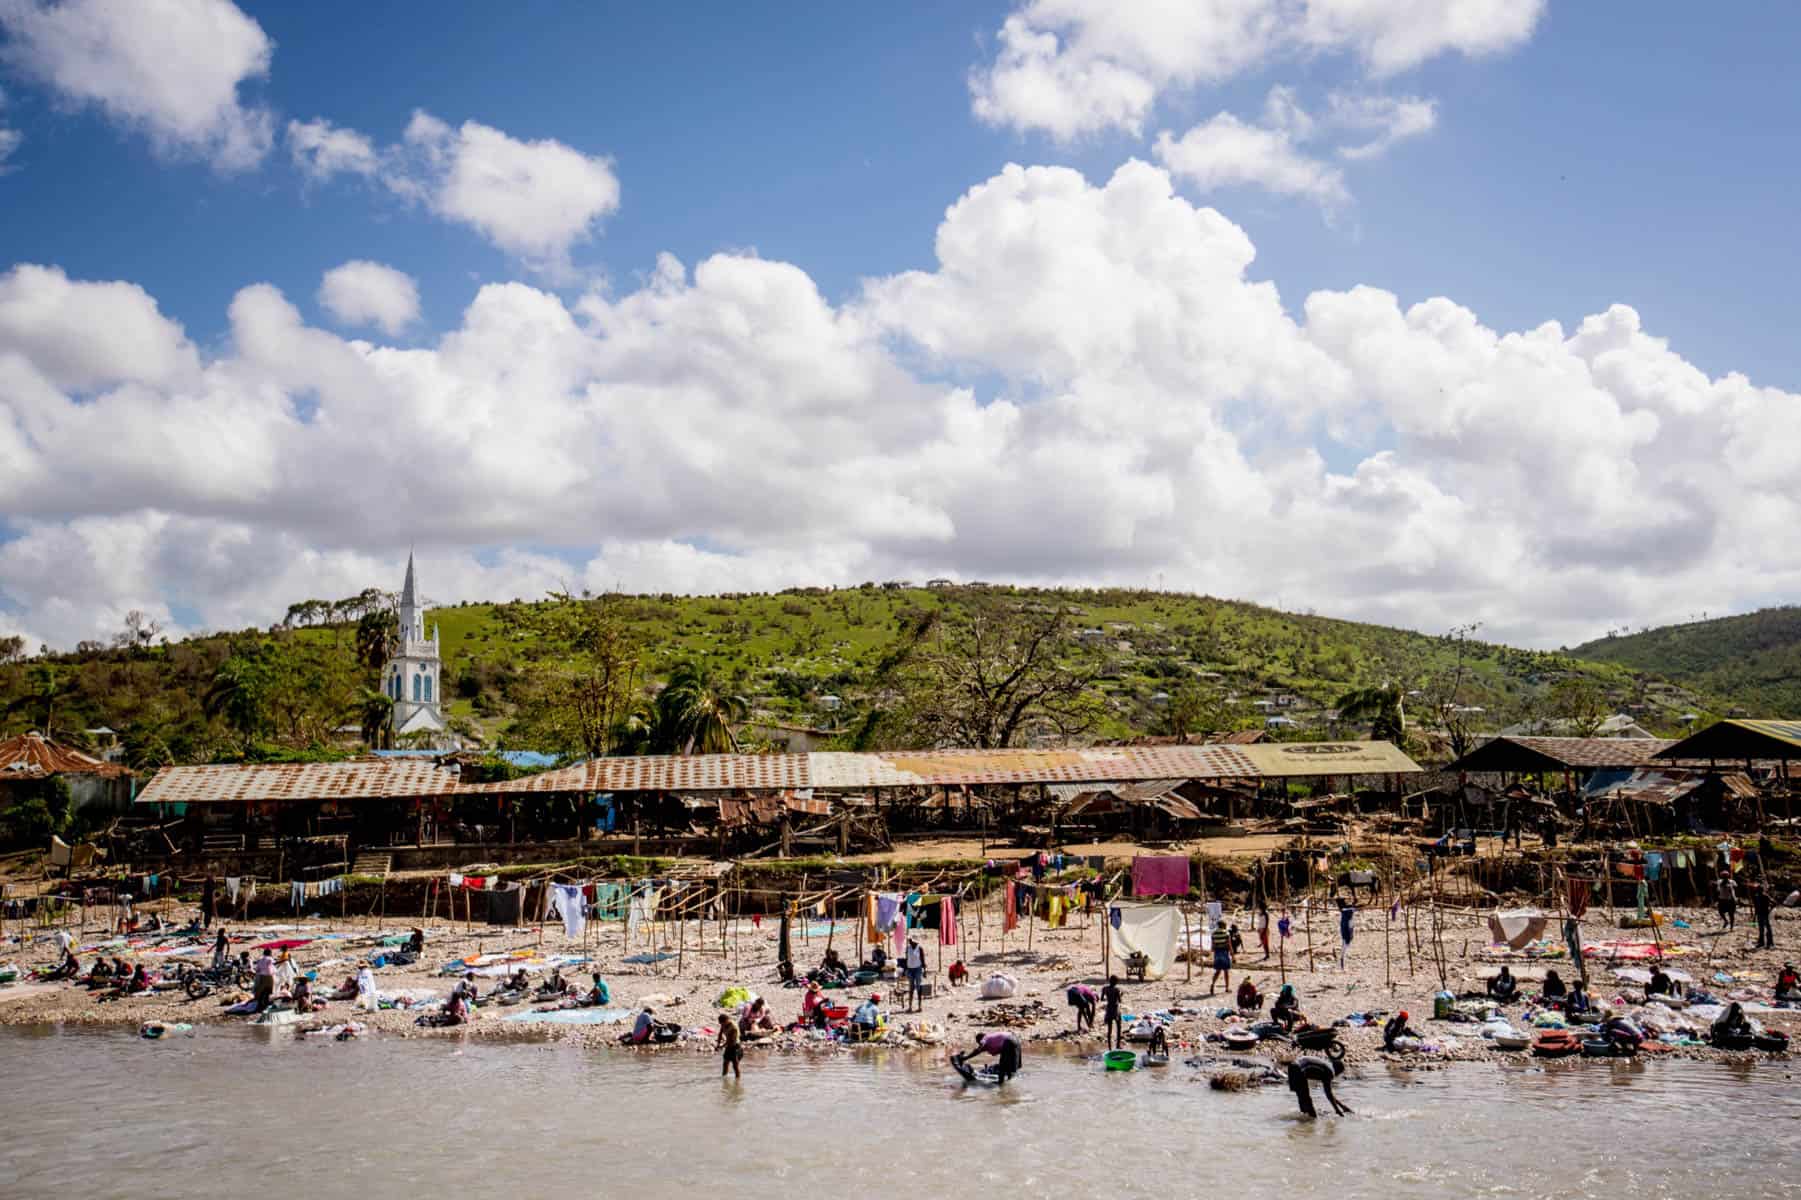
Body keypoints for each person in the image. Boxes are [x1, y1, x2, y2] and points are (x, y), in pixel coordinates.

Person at [1288, 1050, 1351, 1118]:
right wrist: (1338, 1111)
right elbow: (1329, 1094)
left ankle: (1303, 1119)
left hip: (1292, 1067)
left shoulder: (1326, 1066)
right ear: (1338, 1071)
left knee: (1302, 1098)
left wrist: (1342, 1106)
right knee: (1309, 1108)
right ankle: (1310, 1120)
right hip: (1298, 1069)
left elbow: (1329, 1095)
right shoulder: (1330, 1071)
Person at [957, 1031, 1022, 1082]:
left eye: (978, 1042)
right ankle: (1008, 1082)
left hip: (1008, 1042)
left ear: (980, 1038)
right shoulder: (991, 1038)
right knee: (1009, 1065)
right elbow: (981, 1050)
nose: (979, 1044)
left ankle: (1000, 1085)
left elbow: (979, 1048)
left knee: (1002, 1067)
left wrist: (965, 1058)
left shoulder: (985, 1038)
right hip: (1016, 1040)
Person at [717, 1008, 743, 1079]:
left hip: (736, 1047)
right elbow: (720, 1034)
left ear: (726, 1021)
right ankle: (724, 1078)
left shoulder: (734, 1028)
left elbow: (730, 1040)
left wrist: (722, 1046)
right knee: (725, 1063)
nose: (721, 1025)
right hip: (729, 1047)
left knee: (735, 1066)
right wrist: (718, 1044)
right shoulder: (723, 1024)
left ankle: (737, 1080)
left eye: (721, 1023)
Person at [1101, 974, 1124, 1049]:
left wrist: (1108, 999)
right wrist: (1121, 994)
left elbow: (1102, 999)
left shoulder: (1105, 988)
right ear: (1116, 982)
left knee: (1109, 1028)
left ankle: (1109, 1047)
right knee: (1118, 1026)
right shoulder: (1116, 989)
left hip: (1108, 1008)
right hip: (1115, 1008)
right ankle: (1118, 1045)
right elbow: (1120, 1000)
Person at [903, 939, 927, 1012]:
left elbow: (923, 960)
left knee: (918, 987)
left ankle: (920, 1007)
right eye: (909, 941)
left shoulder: (919, 948)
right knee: (911, 988)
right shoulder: (908, 948)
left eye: (911, 941)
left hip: (918, 969)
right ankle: (910, 1007)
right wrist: (905, 970)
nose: (910, 942)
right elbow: (907, 959)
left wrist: (925, 970)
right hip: (910, 969)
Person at [1208, 929, 1233, 996]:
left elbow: (1212, 946)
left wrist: (1212, 951)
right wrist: (1232, 955)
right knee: (1226, 971)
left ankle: (1213, 984)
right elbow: (1229, 944)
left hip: (1217, 953)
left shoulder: (1214, 934)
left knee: (1218, 971)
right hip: (1224, 952)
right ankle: (1227, 988)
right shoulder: (1226, 933)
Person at [1751, 882, 1775, 950]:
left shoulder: (1765, 896)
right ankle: (1761, 942)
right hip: (1759, 914)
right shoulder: (1756, 897)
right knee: (1761, 929)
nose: (1758, 891)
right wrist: (1754, 917)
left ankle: (1770, 943)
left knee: (1768, 928)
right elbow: (1756, 907)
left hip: (1765, 914)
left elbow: (1774, 903)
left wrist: (1769, 910)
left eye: (1759, 890)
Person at [1337, 897, 1355, 970]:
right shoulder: (1346, 910)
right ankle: (1341, 962)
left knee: (1346, 941)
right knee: (1346, 941)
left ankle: (1342, 961)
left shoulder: (1344, 910)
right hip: (1347, 925)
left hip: (1347, 925)